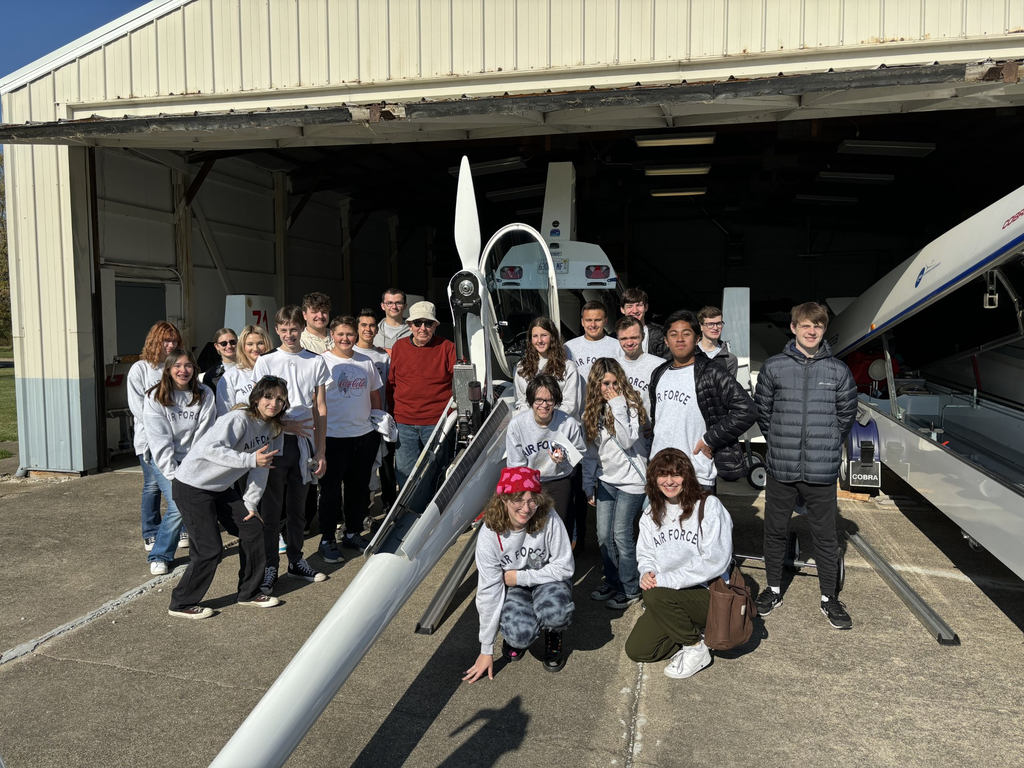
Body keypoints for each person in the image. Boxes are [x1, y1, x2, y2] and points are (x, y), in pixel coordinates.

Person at [753, 301, 858, 630]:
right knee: (774, 530)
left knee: (826, 537)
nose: (812, 331)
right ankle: (772, 589)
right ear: (794, 328)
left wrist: (824, 445)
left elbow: (846, 418)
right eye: (806, 325)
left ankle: (829, 597)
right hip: (781, 467)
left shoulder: (838, 371)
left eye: (818, 326)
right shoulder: (774, 367)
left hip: (820, 470)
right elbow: (764, 414)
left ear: (824, 330)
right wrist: (782, 442)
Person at [167, 377, 288, 618]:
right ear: (256, 398)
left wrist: (251, 503)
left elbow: (262, 467)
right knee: (209, 549)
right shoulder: (238, 419)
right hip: (192, 486)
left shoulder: (274, 429)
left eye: (280, 399)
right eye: (268, 396)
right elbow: (209, 449)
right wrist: (249, 459)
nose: (273, 403)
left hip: (219, 488)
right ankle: (181, 604)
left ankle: (249, 593)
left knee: (253, 528)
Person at [624, 448, 734, 679]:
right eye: (662, 475)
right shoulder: (650, 513)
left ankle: (695, 647)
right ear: (654, 479)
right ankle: (696, 632)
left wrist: (664, 581)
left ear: (687, 477)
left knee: (653, 595)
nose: (669, 481)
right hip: (669, 595)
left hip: (707, 594)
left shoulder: (709, 506)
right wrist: (647, 572)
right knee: (638, 650)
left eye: (676, 474)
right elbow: (646, 554)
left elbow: (716, 561)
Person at [462, 466, 575, 681]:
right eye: (518, 500)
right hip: (515, 587)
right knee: (519, 636)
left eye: (533, 500)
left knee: (556, 613)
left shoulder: (549, 518)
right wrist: (486, 649)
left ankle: (553, 634)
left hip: (546, 580)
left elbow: (565, 566)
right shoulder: (489, 535)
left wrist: (521, 577)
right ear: (504, 499)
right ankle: (518, 628)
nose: (526, 508)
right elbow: (488, 591)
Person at [252, 305, 330, 593]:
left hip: (304, 444)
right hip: (274, 442)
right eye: (283, 329)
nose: (289, 334)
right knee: (272, 510)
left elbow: (320, 407)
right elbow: (258, 407)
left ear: (302, 328)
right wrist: (284, 426)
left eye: (294, 329)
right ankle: (270, 565)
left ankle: (296, 561)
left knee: (298, 509)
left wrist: (320, 450)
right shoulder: (266, 361)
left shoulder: (316, 361)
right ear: (276, 330)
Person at [648, 310, 757, 496]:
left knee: (698, 525)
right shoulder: (659, 373)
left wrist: (711, 439)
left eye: (686, 334)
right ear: (666, 341)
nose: (679, 339)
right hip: (660, 472)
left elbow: (747, 410)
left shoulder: (712, 372)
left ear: (697, 338)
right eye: (673, 334)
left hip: (696, 474)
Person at [581, 359, 648, 610]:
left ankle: (630, 588)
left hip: (632, 481)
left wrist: (616, 404)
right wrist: (589, 484)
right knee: (602, 535)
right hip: (606, 480)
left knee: (621, 535)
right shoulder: (591, 412)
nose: (610, 388)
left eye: (614, 383)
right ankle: (612, 581)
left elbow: (628, 440)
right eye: (604, 384)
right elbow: (590, 454)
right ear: (595, 385)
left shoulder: (628, 404)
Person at [143, 349, 217, 575]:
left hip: (193, 458)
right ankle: (159, 554)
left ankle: (201, 548)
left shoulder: (205, 393)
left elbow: (205, 432)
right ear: (168, 370)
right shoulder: (155, 397)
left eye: (188, 366)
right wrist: (176, 476)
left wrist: (194, 466)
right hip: (162, 458)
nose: (183, 370)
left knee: (198, 503)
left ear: (195, 369)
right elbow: (159, 442)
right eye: (177, 366)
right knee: (178, 504)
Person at [317, 316, 384, 563]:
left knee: (358, 489)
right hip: (334, 437)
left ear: (356, 336)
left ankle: (353, 532)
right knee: (330, 491)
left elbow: (374, 395)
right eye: (340, 334)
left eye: (350, 334)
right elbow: (316, 400)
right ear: (331, 336)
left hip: (364, 436)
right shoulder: (322, 362)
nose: (345, 339)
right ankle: (326, 539)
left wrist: (377, 424)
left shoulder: (365, 362)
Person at [386, 300, 456, 491]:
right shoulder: (399, 347)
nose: (423, 328)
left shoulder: (447, 347)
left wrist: (450, 415)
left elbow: (459, 383)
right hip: (404, 422)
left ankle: (434, 516)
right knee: (405, 472)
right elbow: (391, 383)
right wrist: (393, 414)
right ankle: (411, 514)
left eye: (428, 323)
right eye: (417, 323)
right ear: (409, 325)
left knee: (438, 471)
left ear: (435, 325)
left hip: (437, 422)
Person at [128, 321, 183, 552]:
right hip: (149, 440)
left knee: (180, 484)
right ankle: (151, 531)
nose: (170, 345)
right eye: (166, 340)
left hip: (178, 438)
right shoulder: (141, 369)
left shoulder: (177, 366)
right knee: (152, 485)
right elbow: (136, 406)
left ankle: (182, 529)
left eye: (174, 341)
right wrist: (159, 429)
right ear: (155, 341)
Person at [505, 374, 586, 532]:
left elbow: (579, 454)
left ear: (555, 401)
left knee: (559, 527)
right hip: (528, 481)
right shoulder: (517, 425)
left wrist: (563, 460)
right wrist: (525, 489)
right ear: (531, 401)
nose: (544, 405)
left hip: (559, 479)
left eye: (549, 400)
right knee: (530, 526)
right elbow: (515, 464)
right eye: (538, 400)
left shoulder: (567, 423)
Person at [356, 308, 396, 511]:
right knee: (363, 468)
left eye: (372, 325)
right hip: (359, 422)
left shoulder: (383, 356)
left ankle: (390, 504)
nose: (368, 329)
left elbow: (390, 386)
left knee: (387, 463)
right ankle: (363, 509)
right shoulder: (351, 354)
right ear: (357, 327)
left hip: (382, 417)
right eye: (363, 325)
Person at [513, 317, 581, 418]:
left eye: (544, 335)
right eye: (535, 336)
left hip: (560, 427)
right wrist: (534, 422)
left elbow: (570, 405)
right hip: (531, 427)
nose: (539, 340)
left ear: (552, 337)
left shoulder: (568, 367)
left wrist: (547, 419)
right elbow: (521, 402)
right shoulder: (520, 368)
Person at [615, 315, 663, 453]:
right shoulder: (613, 366)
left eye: (634, 337)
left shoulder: (659, 365)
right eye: (624, 338)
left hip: (650, 438)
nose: (629, 342)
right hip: (621, 439)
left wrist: (655, 425)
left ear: (642, 336)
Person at [216, 324, 272, 416]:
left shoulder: (276, 370)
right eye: (250, 344)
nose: (255, 348)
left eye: (260, 343)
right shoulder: (230, 376)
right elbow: (224, 414)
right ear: (242, 346)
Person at [564, 301, 622, 385]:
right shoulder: (568, 347)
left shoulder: (617, 346)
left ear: (605, 321)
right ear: (582, 322)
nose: (593, 324)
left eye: (598, 320)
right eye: (588, 320)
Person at [620, 287, 669, 359]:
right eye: (629, 306)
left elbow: (667, 362)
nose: (635, 310)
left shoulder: (660, 334)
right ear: (622, 310)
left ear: (646, 307)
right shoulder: (613, 336)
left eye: (639, 305)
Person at [697, 306, 739, 379]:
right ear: (701, 326)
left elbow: (729, 388)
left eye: (719, 323)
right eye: (710, 324)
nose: (715, 328)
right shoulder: (689, 354)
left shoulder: (730, 360)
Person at [373, 287, 412, 354]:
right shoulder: (373, 331)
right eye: (389, 303)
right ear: (382, 306)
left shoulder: (413, 332)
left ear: (405, 306)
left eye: (398, 303)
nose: (394, 306)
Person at [201, 328, 237, 393]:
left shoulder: (249, 366)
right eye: (224, 343)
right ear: (217, 346)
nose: (229, 346)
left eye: (232, 342)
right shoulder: (211, 375)